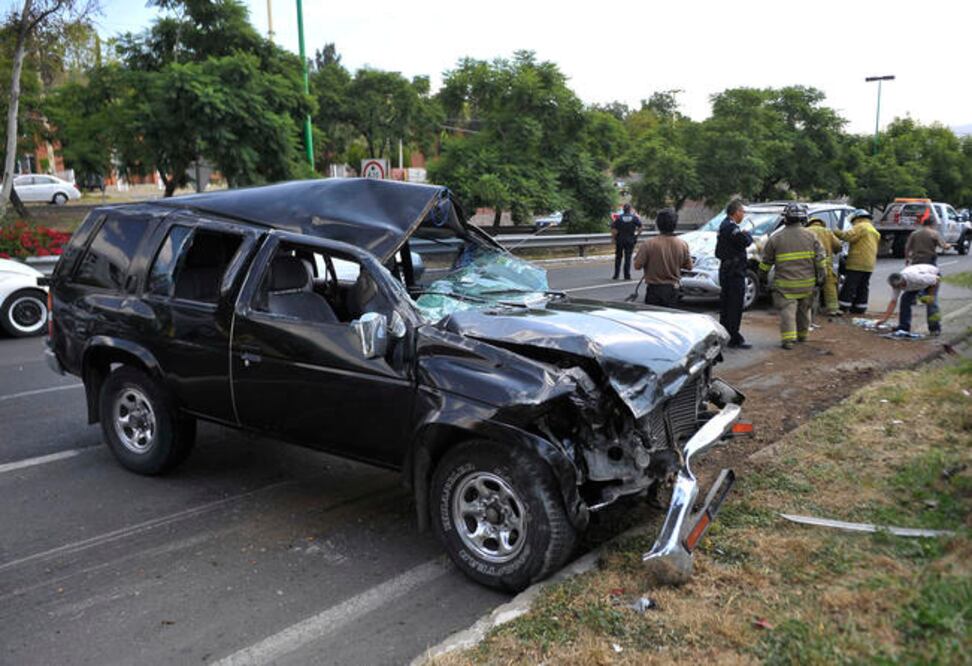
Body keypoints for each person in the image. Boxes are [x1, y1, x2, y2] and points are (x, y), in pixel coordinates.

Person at [759, 203, 825, 349]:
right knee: (804, 310)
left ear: (786, 219)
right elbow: (820, 260)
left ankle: (788, 340)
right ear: (803, 219)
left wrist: (762, 276)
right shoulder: (812, 236)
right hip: (807, 283)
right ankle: (803, 336)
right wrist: (821, 277)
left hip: (785, 285)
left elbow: (766, 262)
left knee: (787, 311)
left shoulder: (775, 238)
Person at [633, 207, 692, 307]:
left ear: (658, 224)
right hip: (673, 290)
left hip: (654, 290)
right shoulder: (682, 244)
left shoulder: (648, 244)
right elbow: (689, 266)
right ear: (675, 225)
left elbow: (637, 265)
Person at [715, 199, 753, 348]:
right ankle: (733, 337)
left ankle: (726, 334)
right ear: (736, 212)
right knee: (734, 306)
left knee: (727, 305)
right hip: (734, 272)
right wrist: (747, 234)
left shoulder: (725, 225)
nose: (743, 214)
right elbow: (745, 241)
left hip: (728, 270)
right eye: (742, 212)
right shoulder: (731, 227)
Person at [875, 264, 942, 336]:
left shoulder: (916, 278)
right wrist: (884, 319)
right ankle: (904, 327)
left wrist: (930, 295)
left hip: (932, 279)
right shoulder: (896, 284)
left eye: (899, 286)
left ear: (903, 281)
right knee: (905, 300)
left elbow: (937, 279)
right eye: (896, 287)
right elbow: (893, 302)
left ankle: (935, 328)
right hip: (917, 285)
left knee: (931, 304)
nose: (898, 288)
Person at [834, 210, 880, 314]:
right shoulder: (872, 229)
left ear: (857, 218)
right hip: (869, 263)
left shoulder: (861, 226)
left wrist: (835, 231)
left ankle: (843, 306)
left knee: (850, 285)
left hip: (857, 262)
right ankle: (860, 308)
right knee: (863, 286)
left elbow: (847, 236)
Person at [805, 216, 842, 316]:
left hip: (809, 263)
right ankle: (833, 309)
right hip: (826, 263)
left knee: (809, 285)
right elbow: (838, 246)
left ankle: (809, 309)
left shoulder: (805, 231)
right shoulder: (827, 232)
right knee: (829, 284)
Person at [611, 203, 642, 280]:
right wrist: (636, 236)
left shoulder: (619, 218)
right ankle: (627, 275)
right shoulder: (634, 218)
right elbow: (641, 227)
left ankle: (616, 275)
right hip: (630, 240)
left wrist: (614, 238)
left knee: (618, 257)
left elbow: (614, 230)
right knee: (628, 258)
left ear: (623, 210)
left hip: (620, 239)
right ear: (630, 209)